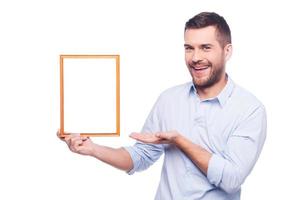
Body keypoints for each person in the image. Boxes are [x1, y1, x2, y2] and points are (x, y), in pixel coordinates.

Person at [58, 12, 267, 200]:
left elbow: (231, 180)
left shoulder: (249, 109)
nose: (195, 58)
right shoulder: (169, 99)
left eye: (206, 48)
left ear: (227, 51)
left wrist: (180, 141)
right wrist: (92, 149)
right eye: (189, 48)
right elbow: (140, 157)